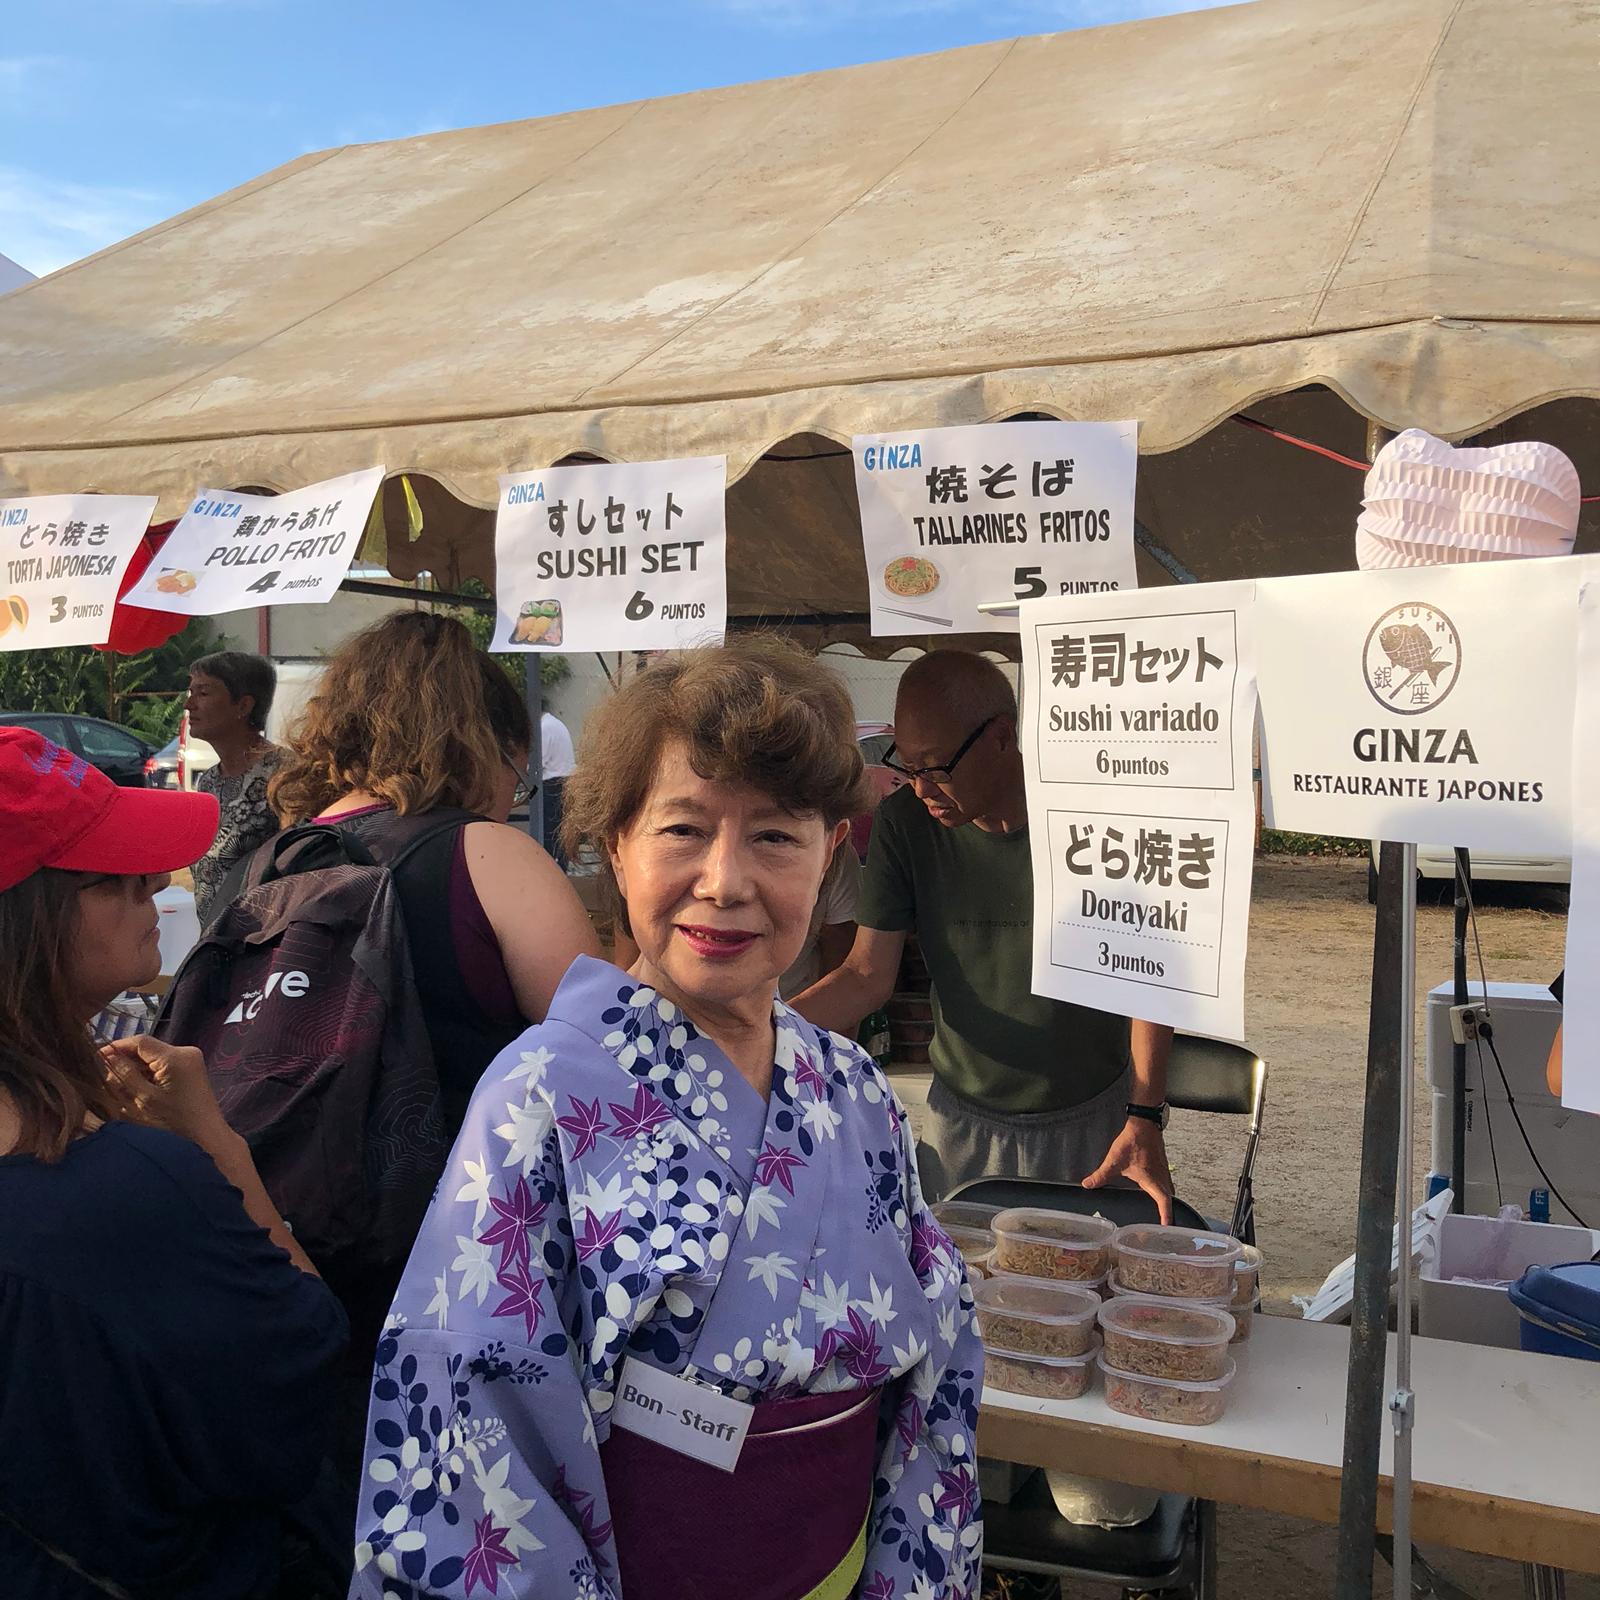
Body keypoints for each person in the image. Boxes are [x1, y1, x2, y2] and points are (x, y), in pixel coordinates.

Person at [349, 638, 983, 1600]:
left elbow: (935, 1366)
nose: (725, 882)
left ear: (830, 855)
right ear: (615, 846)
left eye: (776, 837)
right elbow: (469, 1419)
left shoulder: (854, 1092)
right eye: (683, 829)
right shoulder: (538, 1100)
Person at [0, 728, 349, 1599]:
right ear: (31, 920)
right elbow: (309, 1379)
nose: (158, 885)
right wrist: (216, 1146)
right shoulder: (126, 1192)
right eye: (117, 876)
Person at [796, 650, 1177, 1220]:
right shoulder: (905, 824)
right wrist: (755, 1030)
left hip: (1093, 1116)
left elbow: (1147, 975)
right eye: (908, 766)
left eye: (936, 767)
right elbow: (866, 974)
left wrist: (1144, 1114)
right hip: (960, 1120)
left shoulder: (1093, 817)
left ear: (1001, 736)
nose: (922, 788)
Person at [269, 613, 599, 1134]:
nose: (509, 802)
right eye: (517, 778)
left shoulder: (275, 858)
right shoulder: (490, 855)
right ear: (481, 749)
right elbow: (606, 1045)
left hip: (282, 1169)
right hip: (457, 1174)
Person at [186, 650, 282, 927]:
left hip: (264, 940)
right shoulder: (208, 781)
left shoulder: (284, 776)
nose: (188, 704)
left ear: (243, 706)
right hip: (214, 940)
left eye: (203, 693)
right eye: (191, 692)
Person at [541, 707, 576, 868]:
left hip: (551, 784)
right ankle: (561, 865)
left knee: (548, 830)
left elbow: (537, 761)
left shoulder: (544, 727)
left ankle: (549, 867)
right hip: (565, 781)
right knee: (560, 828)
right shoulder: (556, 723)